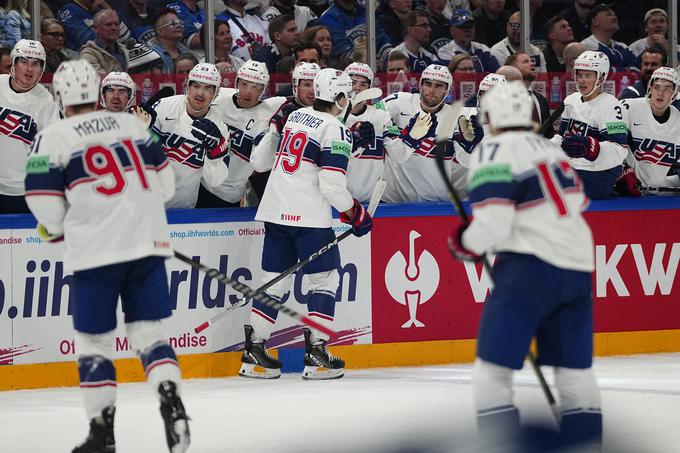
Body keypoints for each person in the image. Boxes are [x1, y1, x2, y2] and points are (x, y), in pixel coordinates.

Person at [24, 59, 190, 453]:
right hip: (148, 246)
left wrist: (58, 229)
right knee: (149, 335)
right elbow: (166, 185)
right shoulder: (135, 126)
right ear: (97, 91)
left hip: (95, 253)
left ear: (61, 95)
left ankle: (102, 432)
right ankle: (172, 401)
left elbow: (43, 204)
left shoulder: (53, 136)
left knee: (94, 342)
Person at [447, 80, 602, 450]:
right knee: (574, 373)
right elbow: (578, 200)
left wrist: (464, 242)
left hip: (529, 269)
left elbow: (494, 223)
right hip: (578, 266)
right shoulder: (552, 151)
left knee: (492, 375)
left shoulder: (492, 150)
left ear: (490, 115)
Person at [242, 68, 374, 380]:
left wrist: (273, 132)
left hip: (275, 211)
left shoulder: (296, 116)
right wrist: (355, 213)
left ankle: (254, 353)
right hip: (309, 218)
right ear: (340, 97)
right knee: (324, 282)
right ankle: (316, 353)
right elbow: (331, 185)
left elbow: (258, 164)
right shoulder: (336, 130)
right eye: (347, 96)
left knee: (273, 282)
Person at [138, 62, 231, 208]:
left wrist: (215, 154)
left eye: (208, 88)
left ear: (216, 94)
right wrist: (145, 133)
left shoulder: (220, 128)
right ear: (187, 86)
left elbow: (215, 181)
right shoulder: (164, 106)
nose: (200, 93)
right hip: (149, 202)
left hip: (184, 207)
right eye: (196, 85)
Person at [196, 60, 286, 207]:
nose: (248, 91)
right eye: (244, 84)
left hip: (229, 195)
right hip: (199, 182)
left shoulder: (268, 114)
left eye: (255, 87)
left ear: (263, 89)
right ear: (237, 82)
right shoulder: (218, 97)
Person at [550, 50, 628, 199]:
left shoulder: (612, 105)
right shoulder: (570, 100)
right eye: (579, 75)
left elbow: (620, 149)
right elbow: (561, 137)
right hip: (572, 167)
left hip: (598, 173)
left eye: (588, 75)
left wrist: (592, 147)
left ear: (601, 77)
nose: (581, 81)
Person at [382, 64, 461, 203]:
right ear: (420, 85)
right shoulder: (398, 102)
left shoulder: (456, 116)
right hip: (393, 201)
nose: (432, 90)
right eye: (428, 84)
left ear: (447, 90)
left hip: (436, 203)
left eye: (439, 86)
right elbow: (369, 114)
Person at [0, 39, 60, 214]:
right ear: (14, 63)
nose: (29, 69)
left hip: (22, 191)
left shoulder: (46, 101)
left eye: (35, 64)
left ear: (42, 69)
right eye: (24, 61)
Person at [344, 62, 415, 202]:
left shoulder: (381, 116)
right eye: (352, 83)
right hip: (336, 200)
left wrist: (412, 137)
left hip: (371, 200)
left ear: (369, 88)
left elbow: (398, 154)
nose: (357, 88)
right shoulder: (331, 116)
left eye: (363, 84)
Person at [618, 67, 680, 195]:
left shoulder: (678, 119)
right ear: (650, 88)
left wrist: (675, 179)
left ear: (675, 92)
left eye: (667, 89)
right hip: (627, 194)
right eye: (657, 87)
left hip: (665, 198)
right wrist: (622, 170)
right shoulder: (627, 107)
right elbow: (610, 142)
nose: (660, 93)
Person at [437, 8, 499, 73]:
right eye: (463, 27)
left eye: (470, 26)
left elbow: (497, 73)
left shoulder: (483, 49)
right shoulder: (445, 52)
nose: (468, 30)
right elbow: (450, 77)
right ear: (452, 30)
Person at [581, 3, 638, 73]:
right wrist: (625, 71)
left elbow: (636, 70)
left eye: (615, 15)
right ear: (595, 21)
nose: (615, 18)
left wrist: (612, 70)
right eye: (609, 15)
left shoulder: (624, 47)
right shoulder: (584, 47)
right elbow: (597, 72)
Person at [79, 9, 130, 76]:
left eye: (116, 24)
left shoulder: (125, 50)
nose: (114, 28)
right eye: (108, 24)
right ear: (96, 28)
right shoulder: (88, 54)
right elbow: (99, 81)